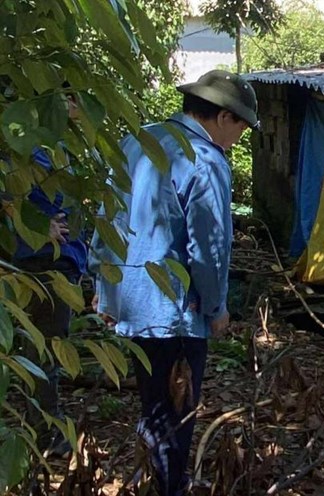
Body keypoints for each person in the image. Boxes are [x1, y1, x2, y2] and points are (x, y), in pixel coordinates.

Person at [90, 70, 258, 495]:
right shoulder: (205, 159)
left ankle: (156, 479)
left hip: (129, 297)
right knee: (176, 411)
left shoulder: (139, 140)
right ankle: (168, 487)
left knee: (154, 403)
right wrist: (218, 309)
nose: (239, 138)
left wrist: (103, 286)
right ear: (223, 117)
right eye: (241, 126)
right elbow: (210, 249)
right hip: (174, 311)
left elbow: (108, 215)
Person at [10, 91, 87, 458]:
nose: (79, 109)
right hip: (40, 266)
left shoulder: (54, 145)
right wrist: (38, 227)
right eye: (74, 100)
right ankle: (43, 432)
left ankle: (40, 428)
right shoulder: (25, 145)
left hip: (57, 264)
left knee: (44, 351)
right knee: (43, 352)